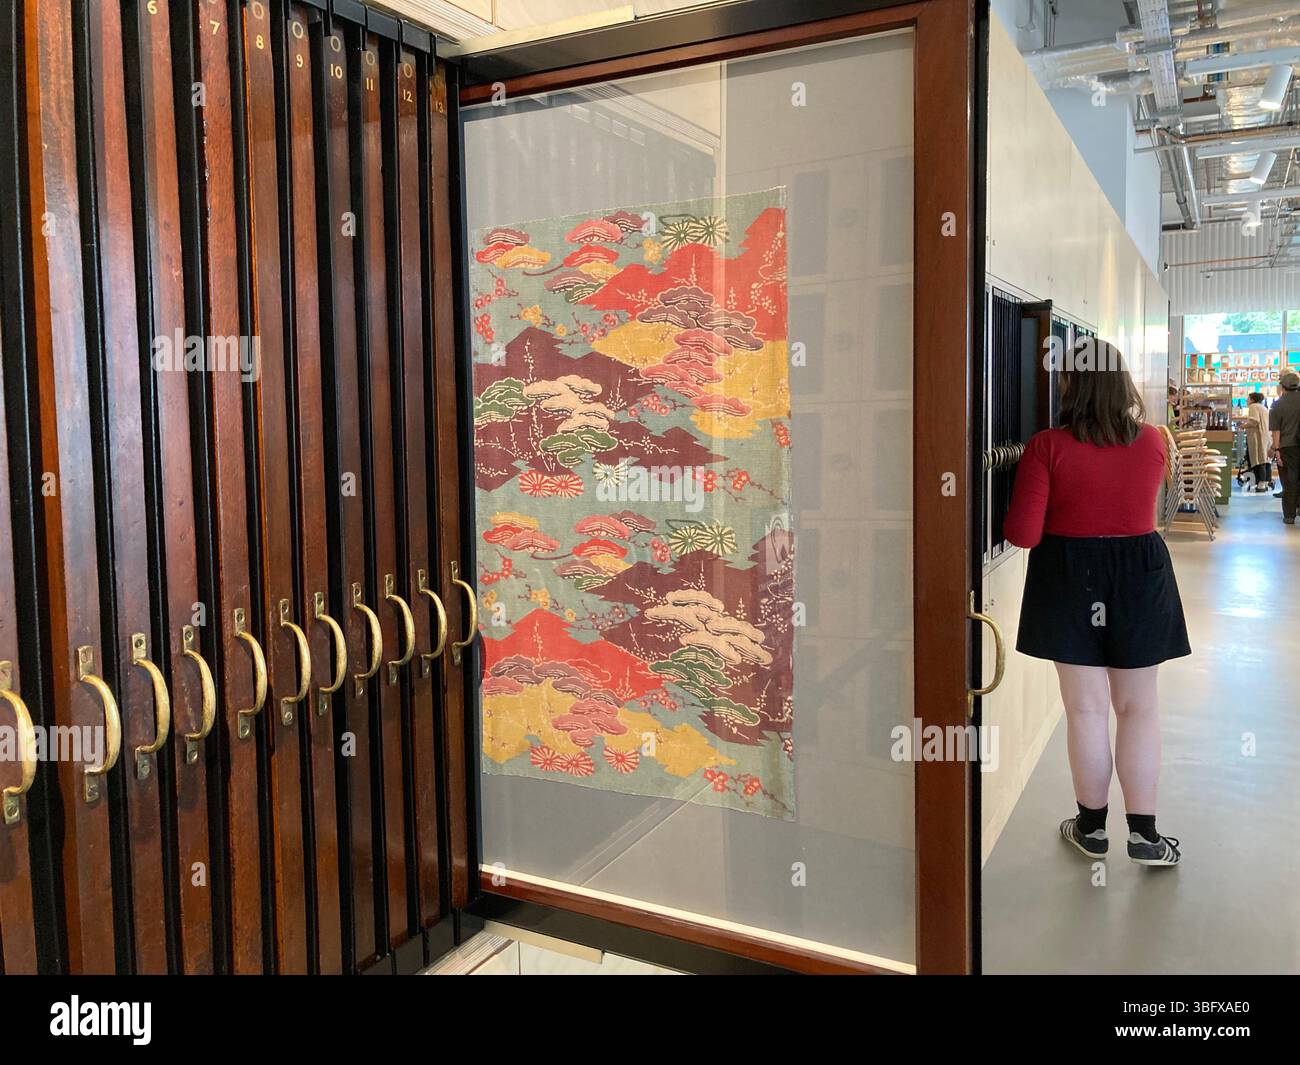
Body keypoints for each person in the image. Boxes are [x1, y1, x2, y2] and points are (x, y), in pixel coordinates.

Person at [1006, 339, 1189, 867]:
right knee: (1138, 708)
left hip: (1069, 574)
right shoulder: (1153, 441)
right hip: (1141, 573)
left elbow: (1022, 535)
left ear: (1073, 383)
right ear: (1121, 382)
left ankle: (1090, 830)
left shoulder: (1047, 446)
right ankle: (1146, 837)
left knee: (1085, 710)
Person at [1269, 371, 1300, 524]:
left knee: (1289, 481)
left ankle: (1289, 515)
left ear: (1282, 386)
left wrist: (1276, 450)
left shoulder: (1277, 405)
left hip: (1286, 447)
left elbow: (1276, 432)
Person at [1245, 392, 1272, 490]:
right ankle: (1265, 483)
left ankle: (1260, 484)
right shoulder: (1264, 408)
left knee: (1258, 459)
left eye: (1248, 398)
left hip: (1258, 436)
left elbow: (1254, 421)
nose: (1246, 400)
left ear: (1252, 399)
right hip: (1267, 436)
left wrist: (1243, 425)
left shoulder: (1253, 407)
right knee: (1265, 459)